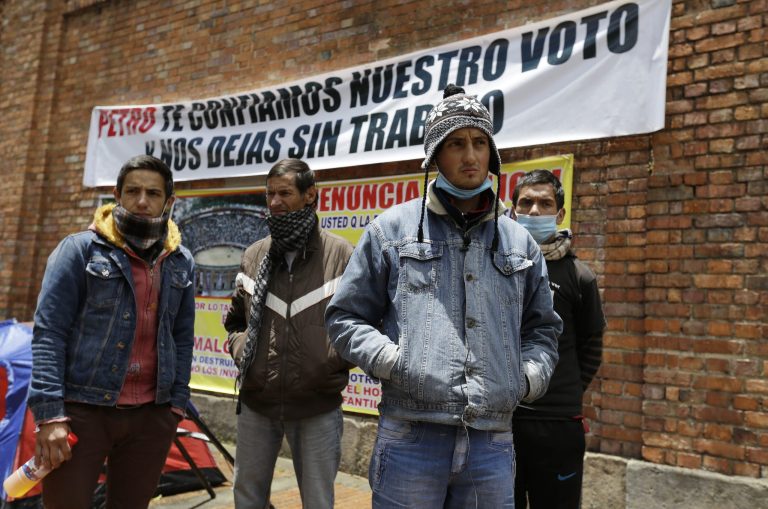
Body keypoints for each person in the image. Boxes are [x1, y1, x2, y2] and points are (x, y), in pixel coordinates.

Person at [325, 85, 563, 508]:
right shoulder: (391, 231)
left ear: (492, 153)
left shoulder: (520, 244)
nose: (470, 156)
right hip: (410, 436)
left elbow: (542, 328)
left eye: (479, 143)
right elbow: (344, 317)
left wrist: (525, 378)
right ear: (435, 154)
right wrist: (396, 363)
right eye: (456, 144)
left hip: (491, 441)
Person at [28, 155, 196, 508]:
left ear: (169, 202)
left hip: (152, 415)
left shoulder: (181, 261)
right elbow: (49, 334)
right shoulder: (79, 250)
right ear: (117, 196)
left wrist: (175, 406)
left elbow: (181, 337)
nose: (141, 201)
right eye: (132, 191)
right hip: (81, 413)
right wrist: (49, 415)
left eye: (153, 193)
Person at [224, 159, 354, 509]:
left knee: (318, 502)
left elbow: (361, 323)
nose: (275, 202)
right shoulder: (254, 255)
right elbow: (235, 321)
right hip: (256, 403)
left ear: (311, 195)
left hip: (317, 406)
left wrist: (328, 361)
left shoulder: (341, 254)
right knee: (247, 499)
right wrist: (244, 354)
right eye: (269, 194)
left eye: (285, 193)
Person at [512, 169, 606, 509]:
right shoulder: (496, 265)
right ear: (513, 211)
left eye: (544, 203)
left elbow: (591, 346)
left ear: (560, 213)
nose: (534, 211)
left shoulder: (579, 275)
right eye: (526, 203)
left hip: (557, 425)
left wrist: (562, 388)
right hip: (498, 421)